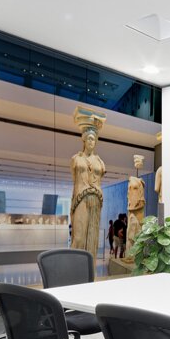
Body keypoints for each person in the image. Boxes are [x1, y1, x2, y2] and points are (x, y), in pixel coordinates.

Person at [70, 107, 106, 255]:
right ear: (84, 139)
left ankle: (91, 274)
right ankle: (73, 274)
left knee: (92, 240)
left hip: (96, 200)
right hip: (81, 199)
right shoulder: (76, 159)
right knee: (78, 238)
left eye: (94, 139)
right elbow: (75, 180)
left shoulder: (100, 162)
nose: (92, 142)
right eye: (90, 138)